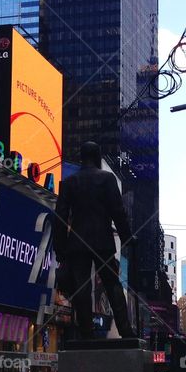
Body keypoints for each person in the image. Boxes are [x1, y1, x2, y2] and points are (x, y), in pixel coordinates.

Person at [53, 141, 136, 338]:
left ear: (82, 157)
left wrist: (60, 248)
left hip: (77, 242)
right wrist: (127, 238)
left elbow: (60, 217)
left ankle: (86, 333)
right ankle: (125, 331)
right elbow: (118, 211)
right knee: (112, 284)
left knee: (82, 287)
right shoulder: (106, 179)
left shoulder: (70, 182)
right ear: (97, 157)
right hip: (102, 240)